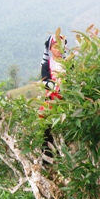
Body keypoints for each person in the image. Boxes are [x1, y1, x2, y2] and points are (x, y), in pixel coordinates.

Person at [39, 33, 67, 162]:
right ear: (50, 48)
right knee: (48, 130)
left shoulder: (69, 64)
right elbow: (46, 84)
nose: (58, 49)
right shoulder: (46, 66)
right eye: (55, 46)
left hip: (67, 101)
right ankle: (48, 160)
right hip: (51, 101)